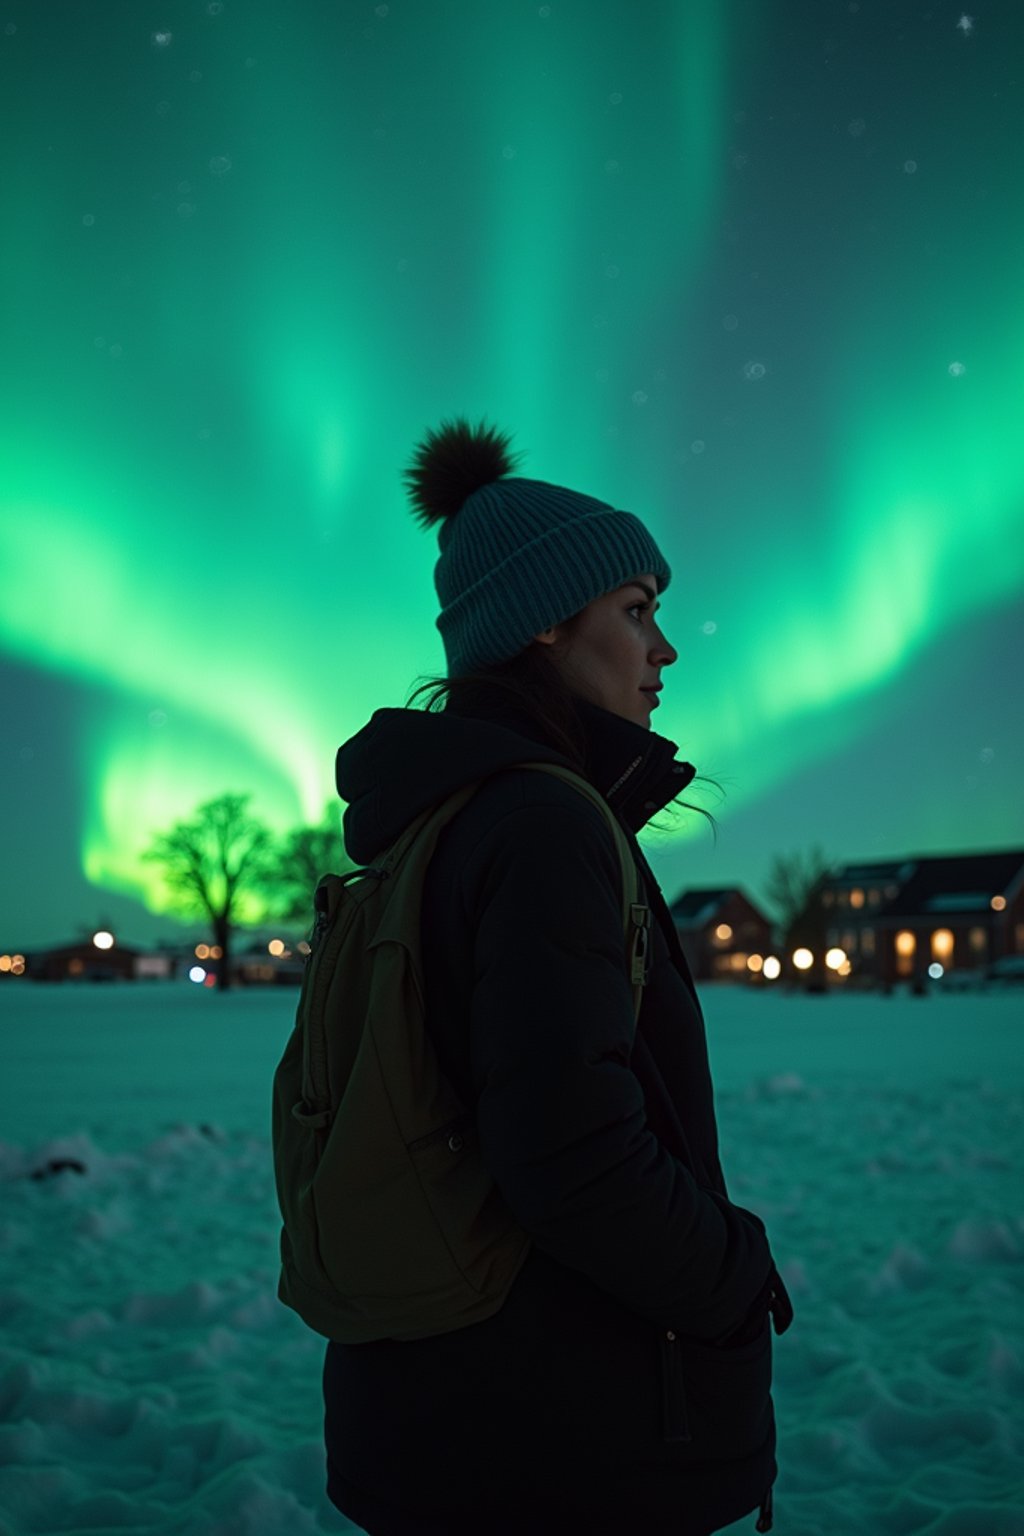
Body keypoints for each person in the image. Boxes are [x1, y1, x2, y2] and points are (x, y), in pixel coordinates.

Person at [322, 417, 793, 1536]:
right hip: (559, 1442)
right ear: (541, 623)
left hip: (452, 1414)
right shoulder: (540, 823)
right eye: (635, 611)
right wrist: (733, 1276)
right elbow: (575, 1157)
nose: (663, 648)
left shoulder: (443, 816)